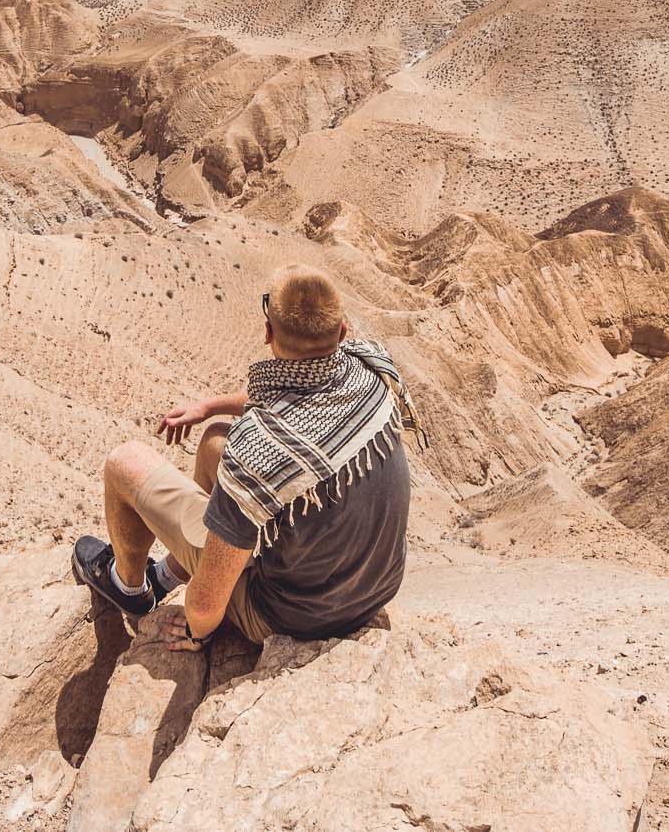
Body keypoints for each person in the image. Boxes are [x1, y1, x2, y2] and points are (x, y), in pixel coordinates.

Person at [71, 265, 422, 654]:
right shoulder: (368, 368)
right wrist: (207, 407)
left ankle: (130, 588)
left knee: (124, 462)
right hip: (374, 587)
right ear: (341, 333)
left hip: (293, 616)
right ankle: (170, 573)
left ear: (268, 334)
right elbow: (291, 390)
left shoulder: (258, 454)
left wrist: (196, 630)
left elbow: (204, 608)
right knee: (214, 441)